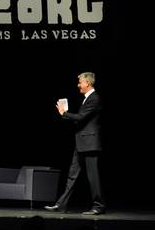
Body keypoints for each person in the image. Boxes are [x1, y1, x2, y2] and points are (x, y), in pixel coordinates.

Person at [44, 72, 106, 215]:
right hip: (81, 143)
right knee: (72, 176)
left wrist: (64, 113)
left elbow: (81, 117)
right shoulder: (87, 99)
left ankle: (99, 206)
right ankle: (61, 205)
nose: (78, 85)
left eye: (80, 82)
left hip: (90, 143)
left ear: (87, 83)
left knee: (93, 177)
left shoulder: (94, 98)